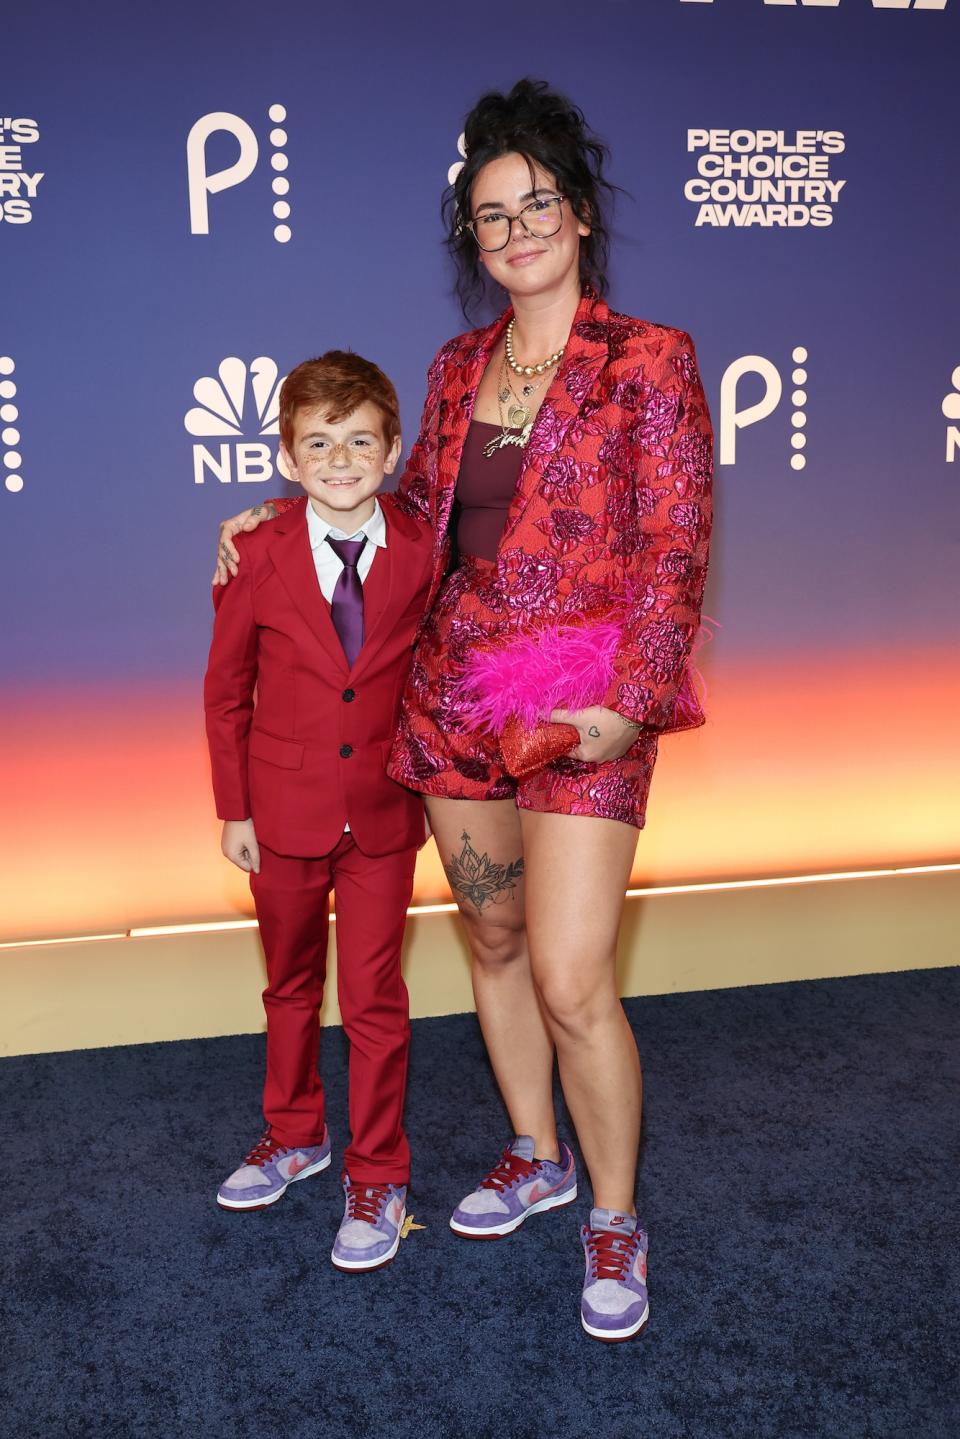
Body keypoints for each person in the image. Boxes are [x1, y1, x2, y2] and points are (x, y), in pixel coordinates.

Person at [215, 79, 713, 1340]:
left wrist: (628, 705)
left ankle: (613, 1212)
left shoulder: (650, 359)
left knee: (568, 971)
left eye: (537, 202)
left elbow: (675, 552)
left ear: (581, 214)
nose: (517, 230)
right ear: (473, 242)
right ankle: (535, 1151)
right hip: (453, 706)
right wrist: (275, 526)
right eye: (491, 217)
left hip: (584, 716)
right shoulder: (452, 369)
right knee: (490, 948)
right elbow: (406, 517)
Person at [204, 351, 433, 1272]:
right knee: (290, 985)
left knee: (377, 999)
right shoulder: (252, 551)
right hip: (281, 812)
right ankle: (294, 1133)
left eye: (360, 441)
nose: (341, 459)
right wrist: (234, 809)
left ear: (392, 449)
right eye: (319, 443)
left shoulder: (423, 547)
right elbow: (225, 694)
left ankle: (380, 1170)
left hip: (382, 814)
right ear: (289, 459)